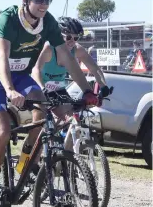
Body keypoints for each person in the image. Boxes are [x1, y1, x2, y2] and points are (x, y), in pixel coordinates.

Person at [0, 0, 99, 207]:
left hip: (20, 76)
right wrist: (9, 90)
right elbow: (0, 56)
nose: (45, 4)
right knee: (2, 133)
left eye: (48, 0)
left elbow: (67, 58)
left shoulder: (48, 23)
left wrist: (87, 91)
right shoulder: (8, 18)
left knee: (44, 112)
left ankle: (26, 164)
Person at [31, 16, 109, 149]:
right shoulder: (49, 48)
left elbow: (94, 68)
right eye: (68, 37)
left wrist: (103, 86)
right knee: (39, 123)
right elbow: (35, 70)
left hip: (58, 90)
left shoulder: (77, 50)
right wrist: (42, 88)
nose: (72, 41)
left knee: (73, 121)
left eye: (76, 38)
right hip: (39, 88)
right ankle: (29, 159)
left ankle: (63, 160)